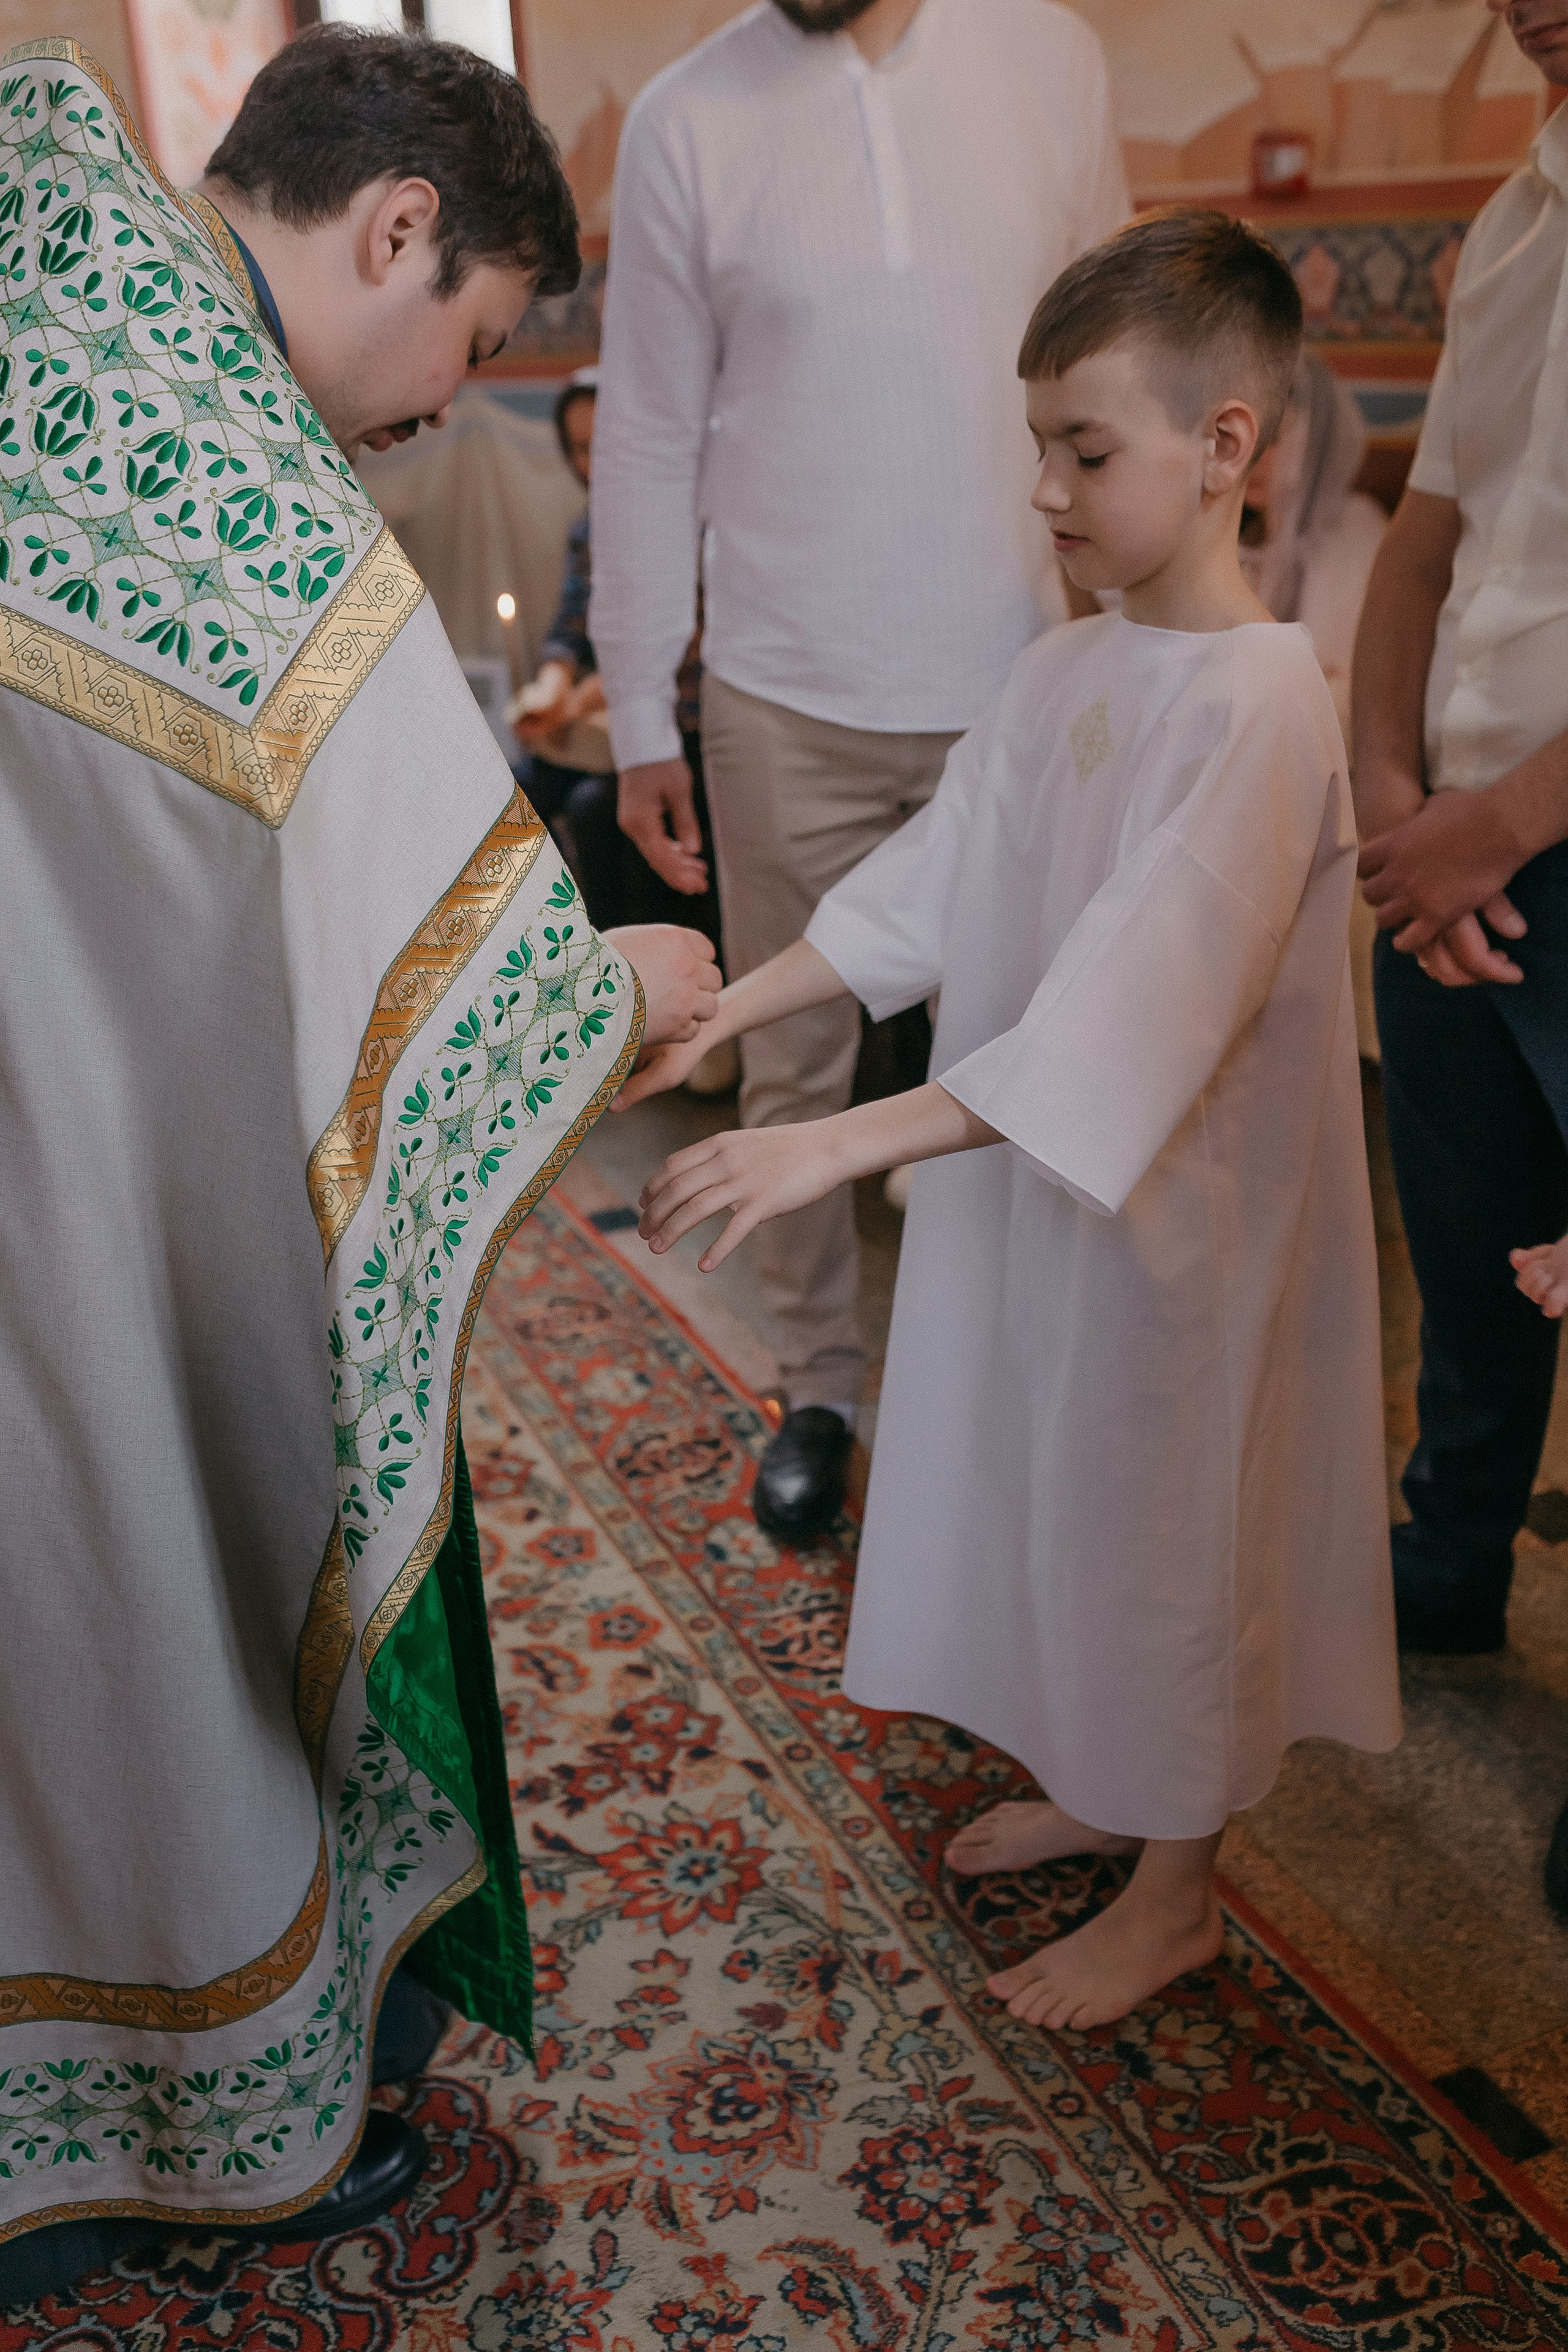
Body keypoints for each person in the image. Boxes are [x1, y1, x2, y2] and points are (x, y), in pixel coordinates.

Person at [0, 27, 718, 2305]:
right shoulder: (219, 457)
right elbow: (370, 879)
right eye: (472, 341)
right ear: (397, 227)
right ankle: (183, 2104)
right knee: (122, 1549)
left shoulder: (60, 253)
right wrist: (604, 990)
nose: (441, 404)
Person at [619, 213, 1400, 2027]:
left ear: (1223, 445)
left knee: (1170, 1522)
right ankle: (1105, 1779)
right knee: (1063, 1488)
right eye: (1034, 443)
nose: (1043, 489)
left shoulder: (1261, 701)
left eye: (1084, 449)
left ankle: (1176, 1889)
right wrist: (733, 1008)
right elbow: (933, 878)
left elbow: (1128, 1011)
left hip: (1180, 1220)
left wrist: (824, 1142)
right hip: (1032, 1181)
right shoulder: (1068, 665)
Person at [590, 0, 1128, 1540]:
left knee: (1023, 1058)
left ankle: (1009, 1389)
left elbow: (1128, 353)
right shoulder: (685, 116)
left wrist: (1135, 638)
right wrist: (639, 711)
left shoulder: (1047, 56)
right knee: (789, 1060)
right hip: (780, 688)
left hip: (1022, 677)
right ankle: (817, 1386)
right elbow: (644, 432)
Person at [1352, 0, 1568, 1921]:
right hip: (1452, 841)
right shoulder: (1513, 217)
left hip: (1533, 831)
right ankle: (1446, 1564)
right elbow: (1423, 543)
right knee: (1468, 1243)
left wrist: (1491, 827)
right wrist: (1393, 798)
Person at [1242, 350, 1387, 1057]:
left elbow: (1353, 692)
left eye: (1276, 441)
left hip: (1323, 782)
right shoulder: (1217, 537)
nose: (1254, 462)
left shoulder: (1354, 533)